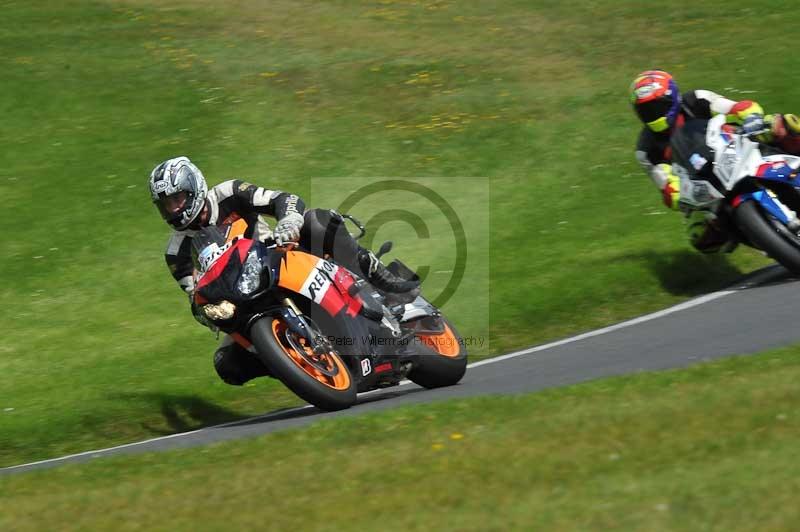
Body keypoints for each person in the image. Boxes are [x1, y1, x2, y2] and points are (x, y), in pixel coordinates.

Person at [148, 156, 419, 386]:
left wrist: (289, 221)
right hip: (244, 299)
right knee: (226, 363)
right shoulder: (176, 252)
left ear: (194, 188)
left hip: (280, 255)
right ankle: (299, 367)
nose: (173, 209)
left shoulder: (229, 193)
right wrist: (205, 311)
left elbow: (282, 199)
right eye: (166, 205)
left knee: (316, 221)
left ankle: (380, 277)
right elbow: (195, 292)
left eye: (177, 199)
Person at [630, 69, 766, 252]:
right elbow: (666, 184)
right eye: (646, 111)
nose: (653, 115)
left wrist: (751, 117)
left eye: (657, 107)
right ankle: (769, 241)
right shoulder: (646, 150)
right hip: (703, 185)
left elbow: (737, 107)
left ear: (673, 98)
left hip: (738, 148)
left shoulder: (697, 99)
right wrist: (680, 196)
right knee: (701, 235)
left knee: (782, 125)